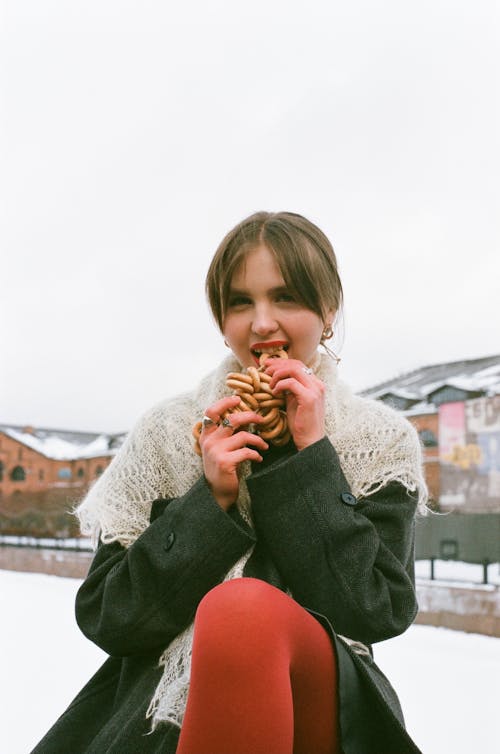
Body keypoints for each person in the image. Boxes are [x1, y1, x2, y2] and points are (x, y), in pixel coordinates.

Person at [32, 211, 427, 754]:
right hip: (160, 705)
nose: (262, 323)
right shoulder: (167, 432)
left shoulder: (380, 441)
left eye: (285, 297)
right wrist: (209, 502)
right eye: (240, 302)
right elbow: (109, 616)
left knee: (242, 611)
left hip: (324, 703)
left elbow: (375, 611)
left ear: (328, 309)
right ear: (221, 320)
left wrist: (310, 458)